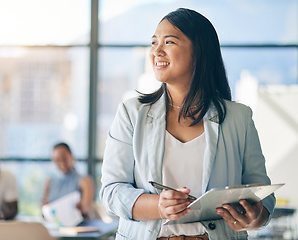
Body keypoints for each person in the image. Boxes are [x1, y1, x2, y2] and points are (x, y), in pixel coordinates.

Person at [99, 8, 275, 240]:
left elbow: (263, 194)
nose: (156, 51)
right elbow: (111, 192)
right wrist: (159, 206)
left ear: (200, 51)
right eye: (154, 42)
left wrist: (256, 216)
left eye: (168, 42)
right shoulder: (132, 113)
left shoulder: (239, 117)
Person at [42, 142, 95, 219]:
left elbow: (87, 209)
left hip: (79, 226)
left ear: (72, 156)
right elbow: (43, 211)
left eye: (65, 159)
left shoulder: (85, 181)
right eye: (57, 160)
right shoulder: (49, 181)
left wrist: (82, 209)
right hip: (56, 225)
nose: (62, 164)